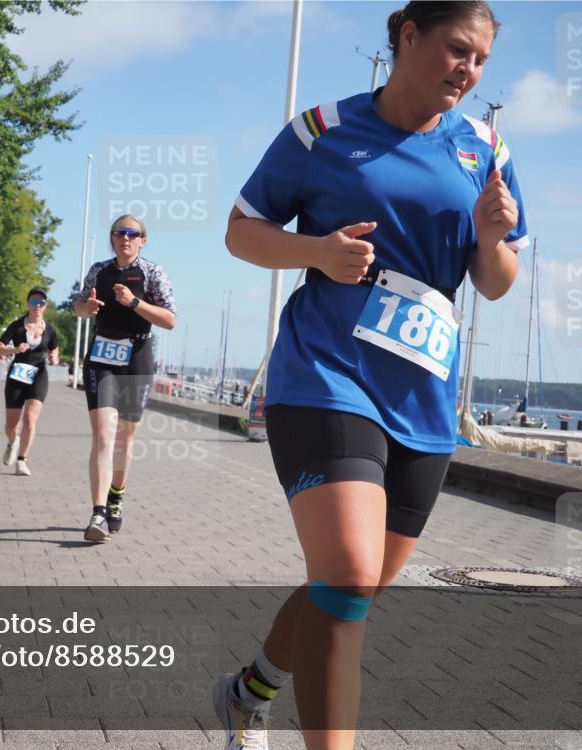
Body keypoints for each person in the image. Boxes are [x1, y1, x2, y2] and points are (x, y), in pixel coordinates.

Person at [213, 3, 526, 748]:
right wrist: (316, 253)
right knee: (349, 576)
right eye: (457, 50)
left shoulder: (485, 146)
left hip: (422, 393)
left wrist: (491, 238)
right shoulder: (323, 131)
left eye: (480, 60)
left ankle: (248, 691)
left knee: (354, 588)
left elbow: (496, 281)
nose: (468, 70)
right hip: (327, 373)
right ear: (408, 38)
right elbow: (240, 230)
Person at [74, 215, 177, 542]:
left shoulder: (152, 273)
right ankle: (98, 512)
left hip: (137, 356)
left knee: (124, 439)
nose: (126, 238)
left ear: (142, 240)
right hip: (101, 356)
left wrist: (134, 303)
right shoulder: (98, 270)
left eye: (133, 234)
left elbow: (170, 319)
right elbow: (79, 306)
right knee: (103, 435)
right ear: (113, 238)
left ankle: (117, 496)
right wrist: (85, 308)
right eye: (120, 233)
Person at [0, 288, 59, 476]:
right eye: (33, 302)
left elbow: (54, 349)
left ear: (45, 306)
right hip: (17, 376)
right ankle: (12, 442)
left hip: (38, 376)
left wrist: (54, 357)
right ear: (27, 304)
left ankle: (22, 460)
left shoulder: (50, 330)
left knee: (30, 420)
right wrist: (13, 350)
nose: (37, 306)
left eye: (41, 303)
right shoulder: (17, 326)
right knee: (11, 426)